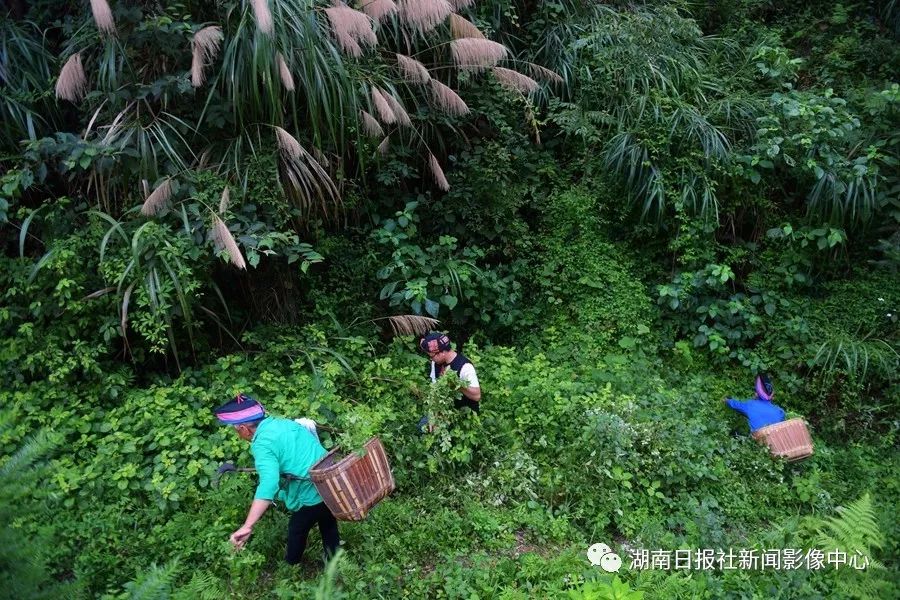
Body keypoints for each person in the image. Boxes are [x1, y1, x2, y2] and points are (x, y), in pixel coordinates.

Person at [214, 393, 340, 565]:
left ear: (244, 428)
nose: (238, 434)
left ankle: (290, 567)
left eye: (236, 430)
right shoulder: (282, 423)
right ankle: (333, 559)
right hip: (330, 480)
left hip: (310, 490)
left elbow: (268, 485)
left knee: (297, 528)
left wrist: (247, 526)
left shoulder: (262, 444)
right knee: (327, 521)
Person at [420, 332, 481, 411]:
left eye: (431, 356)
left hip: (464, 412)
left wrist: (454, 384)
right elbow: (434, 385)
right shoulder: (435, 362)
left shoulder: (465, 367)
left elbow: (477, 396)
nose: (431, 359)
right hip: (442, 409)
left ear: (442, 353)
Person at [723, 374, 785, 438]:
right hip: (776, 439)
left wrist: (727, 400)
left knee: (735, 432)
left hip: (759, 440)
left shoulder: (750, 405)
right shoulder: (780, 411)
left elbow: (736, 405)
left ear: (756, 394)